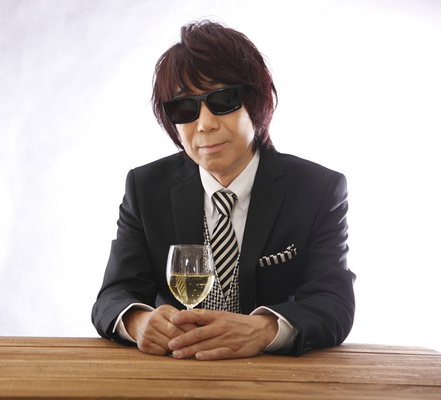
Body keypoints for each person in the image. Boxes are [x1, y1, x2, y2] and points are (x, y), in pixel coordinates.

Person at [91, 20, 355, 360]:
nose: (204, 124)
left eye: (223, 99)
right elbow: (113, 296)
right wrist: (139, 322)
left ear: (256, 103)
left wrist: (264, 329)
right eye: (184, 108)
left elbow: (334, 303)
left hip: (273, 376)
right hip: (174, 371)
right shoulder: (145, 187)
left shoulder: (318, 189)